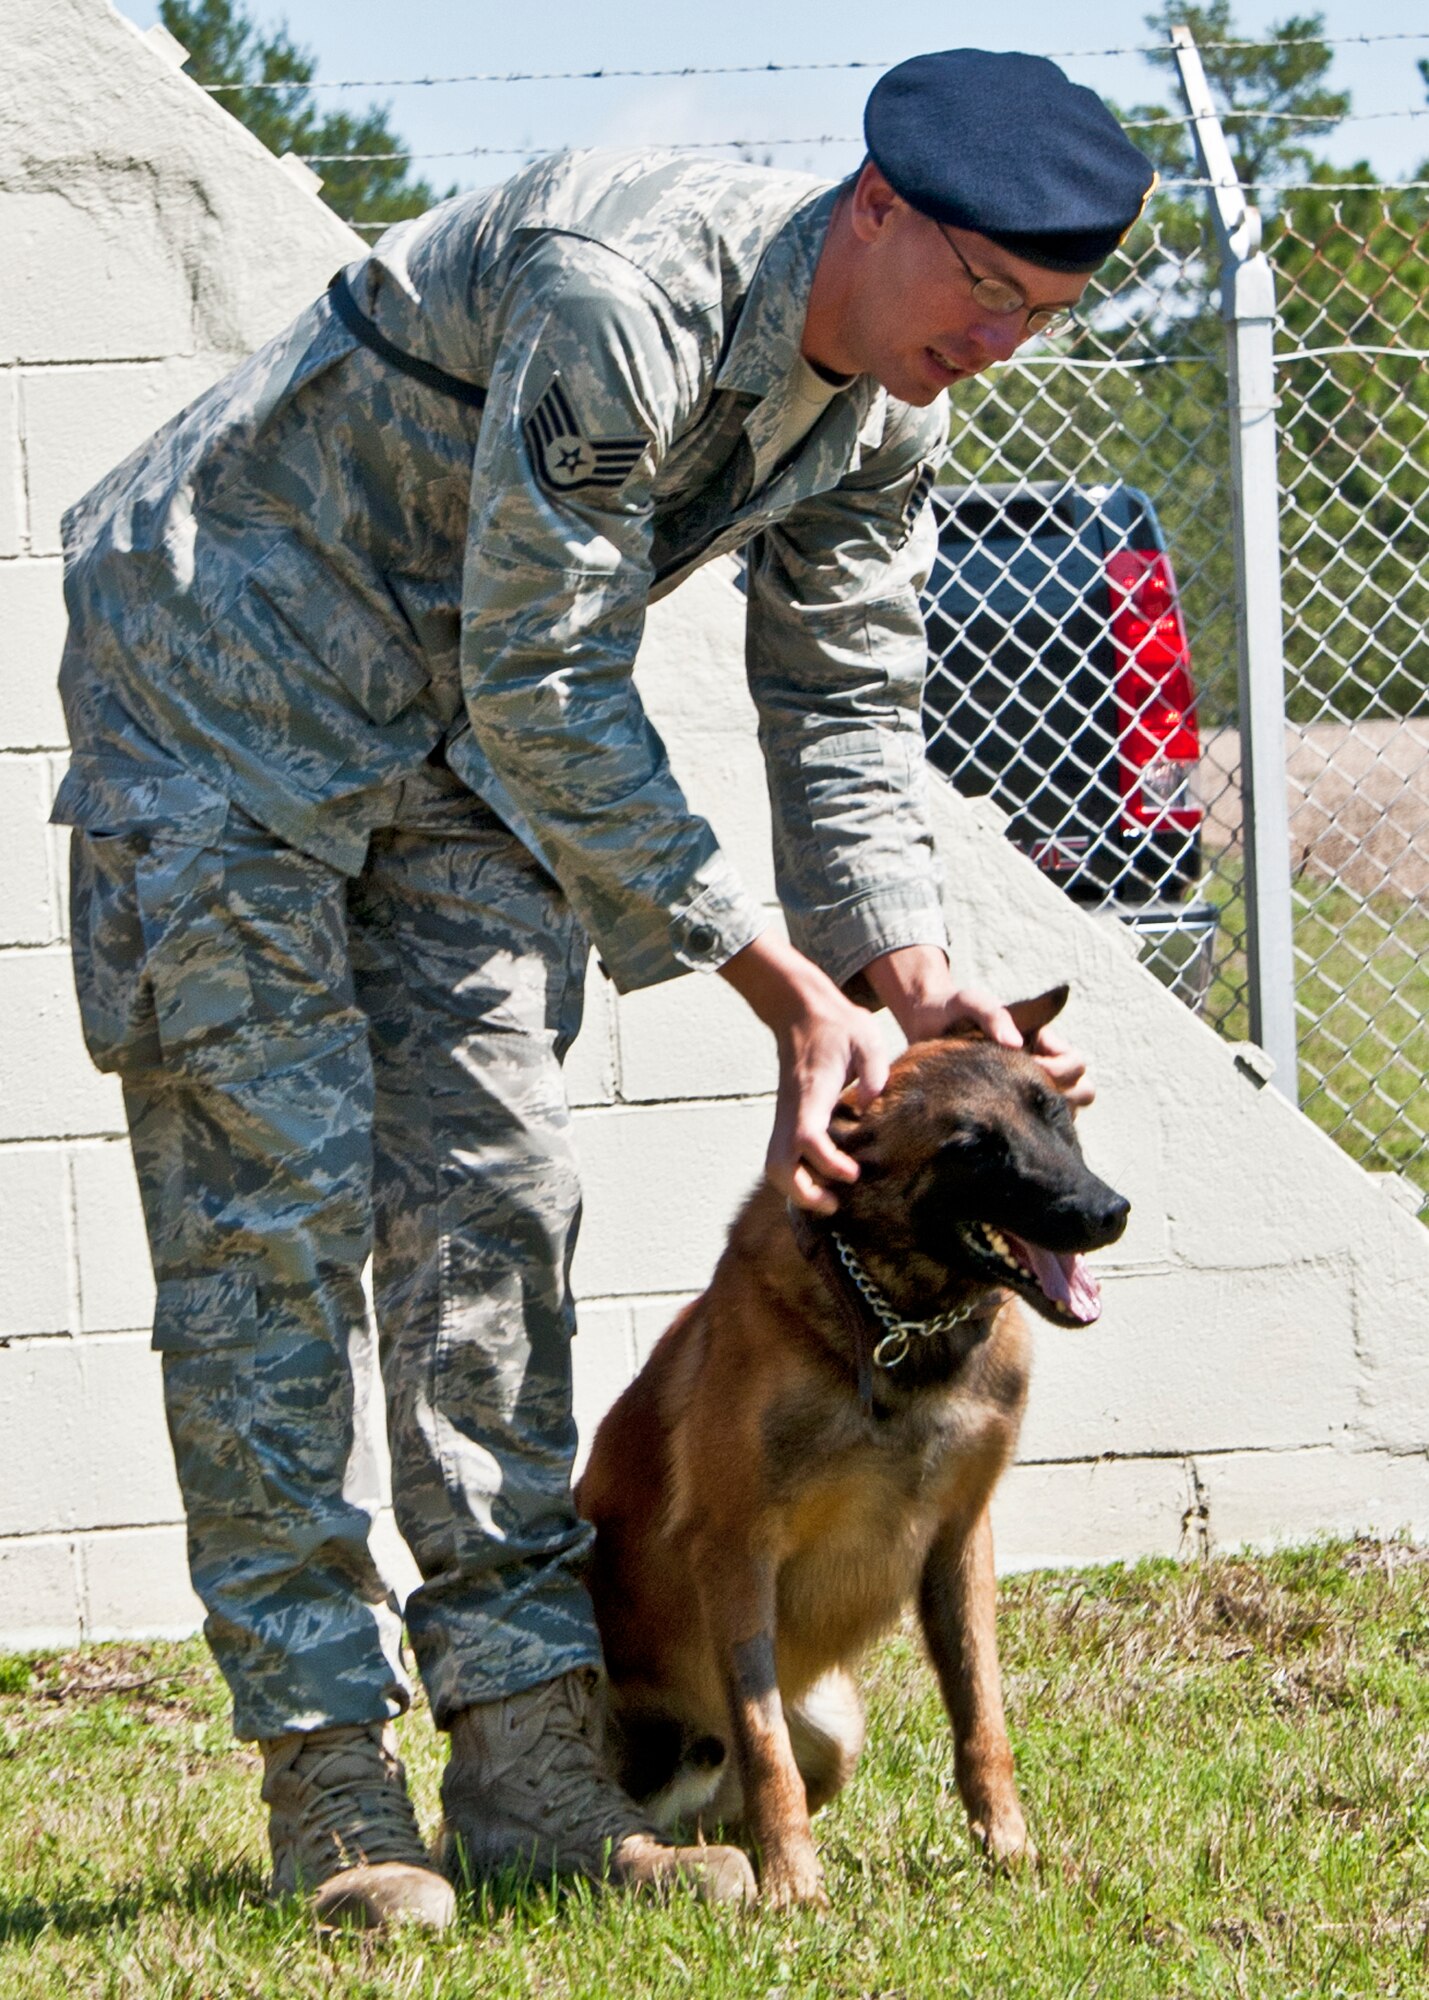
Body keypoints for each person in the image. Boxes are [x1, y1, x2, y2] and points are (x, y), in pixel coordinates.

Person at [54, 49, 1153, 1926]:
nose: (998, 343)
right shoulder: (619, 291)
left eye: (1040, 318)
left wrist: (902, 970)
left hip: (464, 768)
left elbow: (845, 708)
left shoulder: (886, 406)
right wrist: (788, 1001)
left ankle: (537, 1772)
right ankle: (333, 1790)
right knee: (273, 1234)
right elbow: (549, 678)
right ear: (871, 209)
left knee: (496, 1211)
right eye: (982, 289)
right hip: (224, 711)